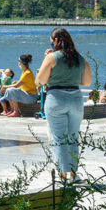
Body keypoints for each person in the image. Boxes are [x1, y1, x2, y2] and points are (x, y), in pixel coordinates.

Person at [36, 27, 92, 182]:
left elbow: (41, 80)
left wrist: (46, 59)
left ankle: (62, 174)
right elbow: (87, 82)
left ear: (55, 40)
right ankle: (73, 174)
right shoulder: (80, 59)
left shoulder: (52, 57)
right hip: (75, 98)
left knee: (59, 137)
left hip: (56, 98)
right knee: (73, 137)